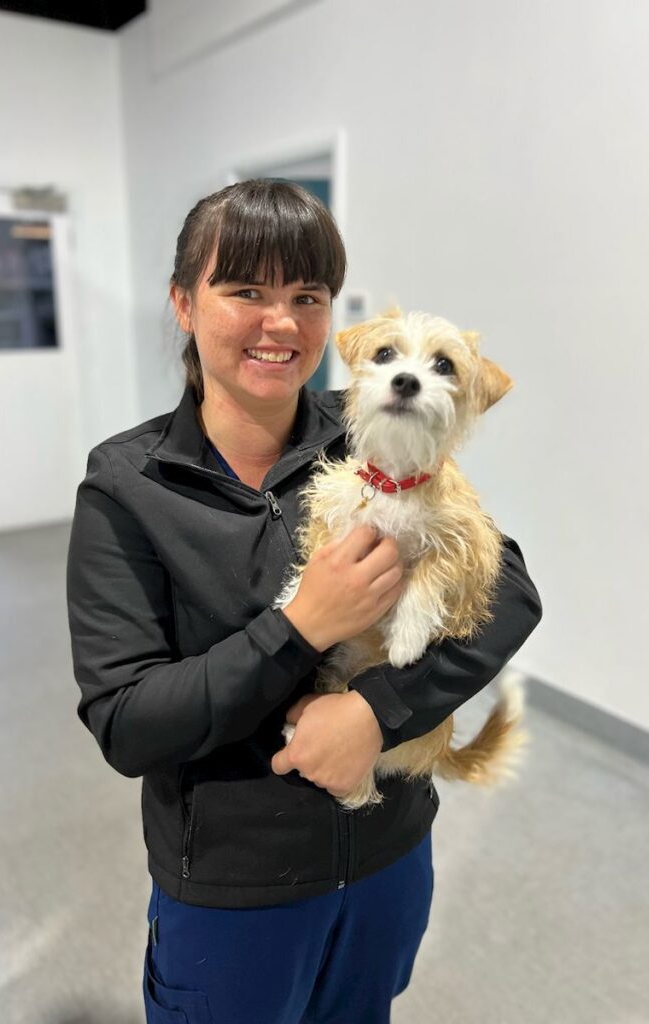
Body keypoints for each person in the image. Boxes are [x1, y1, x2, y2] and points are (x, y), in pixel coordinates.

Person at [66, 179, 543, 1024]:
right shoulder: (128, 486)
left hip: (389, 854)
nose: (280, 323)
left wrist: (376, 712)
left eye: (306, 296)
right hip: (235, 888)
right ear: (183, 302)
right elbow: (129, 721)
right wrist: (300, 627)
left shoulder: (374, 424)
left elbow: (508, 590)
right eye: (245, 290)